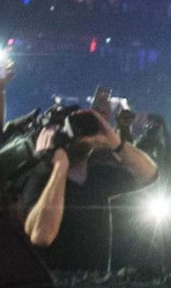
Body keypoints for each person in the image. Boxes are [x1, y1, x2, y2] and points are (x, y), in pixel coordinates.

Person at [20, 109, 159, 270]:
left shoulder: (99, 175)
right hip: (55, 286)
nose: (82, 137)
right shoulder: (41, 175)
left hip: (94, 286)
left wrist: (115, 143)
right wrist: (60, 166)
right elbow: (42, 236)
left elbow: (150, 174)